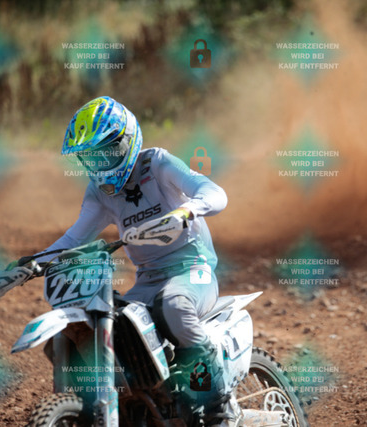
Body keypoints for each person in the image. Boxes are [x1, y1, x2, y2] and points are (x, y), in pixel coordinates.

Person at [40, 96, 237, 426]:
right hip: (148, 280)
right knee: (106, 323)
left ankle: (219, 406)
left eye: (106, 152)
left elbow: (215, 193)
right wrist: (27, 265)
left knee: (174, 306)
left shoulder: (156, 164)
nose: (100, 163)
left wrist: (187, 211)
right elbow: (73, 240)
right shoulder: (100, 192)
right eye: (92, 156)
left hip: (194, 269)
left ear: (127, 141)